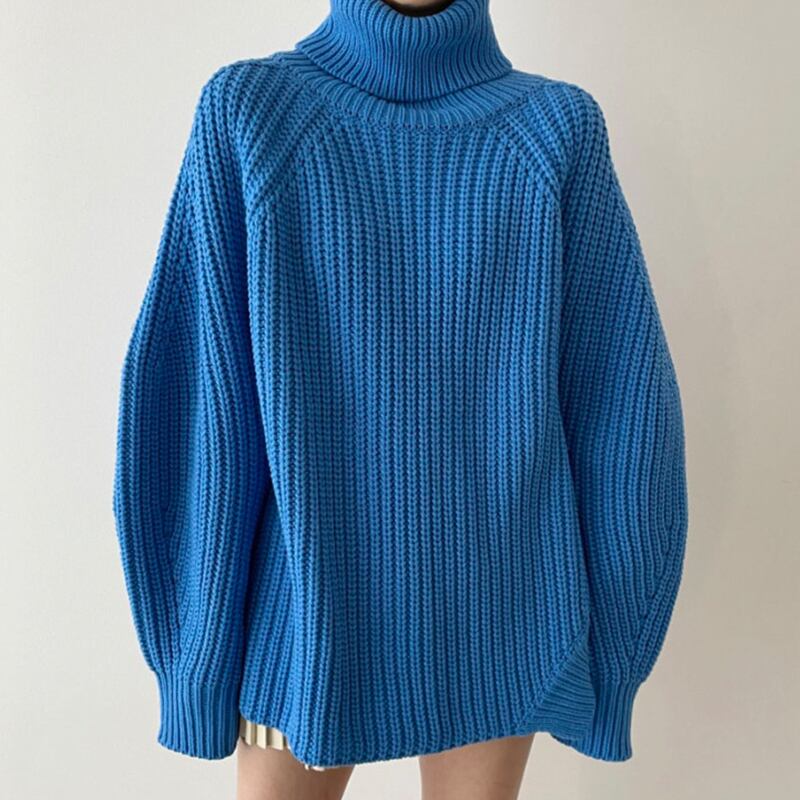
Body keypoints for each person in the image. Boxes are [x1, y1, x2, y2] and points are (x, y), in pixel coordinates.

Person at [112, 1, 689, 798]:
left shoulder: (556, 130)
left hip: (505, 629)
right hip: (301, 627)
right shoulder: (251, 111)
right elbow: (196, 410)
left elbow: (621, 414)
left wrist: (614, 663)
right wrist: (196, 660)